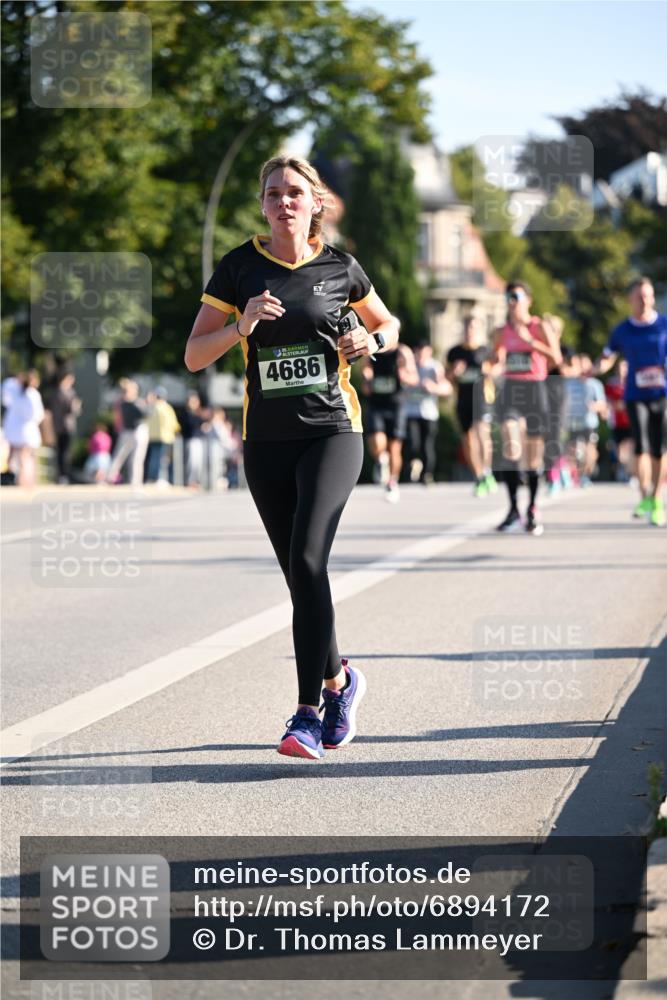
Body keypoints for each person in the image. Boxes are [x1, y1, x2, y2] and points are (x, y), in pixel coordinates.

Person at [185, 154, 400, 759]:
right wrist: (241, 326)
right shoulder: (239, 268)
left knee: (309, 557)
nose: (284, 201)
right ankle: (342, 681)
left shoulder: (340, 267)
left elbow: (391, 324)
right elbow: (195, 356)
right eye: (274, 192)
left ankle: (307, 714)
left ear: (315, 204)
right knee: (299, 576)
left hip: (333, 429)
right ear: (263, 204)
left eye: (295, 193)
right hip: (266, 441)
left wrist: (372, 339)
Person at [492, 281, 561, 534]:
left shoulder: (539, 326)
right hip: (511, 390)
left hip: (535, 390)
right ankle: (512, 508)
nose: (511, 301)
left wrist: (531, 341)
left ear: (528, 300)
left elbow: (556, 359)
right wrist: (493, 366)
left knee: (533, 457)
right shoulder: (501, 331)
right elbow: (496, 358)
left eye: (516, 296)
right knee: (511, 446)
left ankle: (532, 507)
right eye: (507, 297)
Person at [597, 276, 667, 526]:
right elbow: (608, 355)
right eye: (639, 296)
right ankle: (644, 494)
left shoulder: (664, 324)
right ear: (630, 300)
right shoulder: (622, 330)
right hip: (635, 395)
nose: (645, 300)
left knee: (659, 448)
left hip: (661, 394)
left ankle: (657, 498)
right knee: (641, 446)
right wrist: (597, 368)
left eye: (648, 295)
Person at [359, 342, 417, 502]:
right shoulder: (372, 348)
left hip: (396, 404)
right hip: (376, 403)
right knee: (376, 441)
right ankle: (380, 460)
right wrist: (367, 378)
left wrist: (404, 375)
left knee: (394, 447)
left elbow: (414, 378)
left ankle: (392, 482)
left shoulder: (403, 352)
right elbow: (365, 373)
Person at [446, 315, 497, 496]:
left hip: (482, 399)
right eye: (467, 327)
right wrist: (454, 372)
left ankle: (487, 471)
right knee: (467, 440)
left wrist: (488, 370)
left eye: (473, 328)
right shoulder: (454, 352)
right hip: (463, 400)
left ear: (479, 330)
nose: (470, 331)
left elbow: (497, 369)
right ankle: (479, 477)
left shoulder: (486, 351)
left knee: (482, 433)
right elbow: (447, 378)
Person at [404, 341, 451, 485]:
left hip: (429, 413)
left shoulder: (434, 367)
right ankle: (414, 465)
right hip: (411, 411)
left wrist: (433, 387)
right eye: (418, 352)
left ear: (429, 352)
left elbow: (446, 388)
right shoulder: (409, 366)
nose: (421, 356)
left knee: (427, 445)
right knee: (413, 443)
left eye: (424, 352)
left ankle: (427, 474)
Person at [564, 354, 608, 486]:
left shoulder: (595, 384)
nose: (583, 368)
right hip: (572, 422)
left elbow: (603, 404)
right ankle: (572, 475)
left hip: (589, 422)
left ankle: (586, 474)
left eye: (585, 365)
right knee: (572, 449)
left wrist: (594, 406)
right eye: (580, 365)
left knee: (590, 450)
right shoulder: (569, 384)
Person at [2, 369, 45, 488]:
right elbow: (37, 414)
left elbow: (6, 390)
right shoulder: (32, 394)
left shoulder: (14, 390)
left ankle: (12, 478)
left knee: (12, 455)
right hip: (27, 431)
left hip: (13, 429)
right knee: (25, 456)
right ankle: (25, 480)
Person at [105, 379, 149, 487]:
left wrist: (146, 403)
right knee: (119, 455)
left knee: (137, 458)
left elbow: (145, 414)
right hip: (127, 431)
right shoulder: (124, 403)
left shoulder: (138, 403)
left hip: (138, 431)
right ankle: (109, 478)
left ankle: (135, 481)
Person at [50, 370, 81, 484]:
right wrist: (76, 405)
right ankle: (64, 475)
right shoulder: (68, 393)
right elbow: (72, 409)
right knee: (65, 452)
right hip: (66, 426)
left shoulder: (56, 392)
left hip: (58, 426)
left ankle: (61, 475)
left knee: (60, 452)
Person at [605, 360, 634, 482]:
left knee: (632, 446)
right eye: (621, 367)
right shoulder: (611, 383)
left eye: (625, 367)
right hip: (617, 421)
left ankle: (630, 472)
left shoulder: (633, 382)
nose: (623, 369)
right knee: (619, 448)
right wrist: (615, 406)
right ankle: (622, 468)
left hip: (632, 420)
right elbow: (607, 401)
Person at [146, 386, 180, 484]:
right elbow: (173, 423)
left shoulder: (152, 407)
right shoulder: (166, 407)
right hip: (165, 437)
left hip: (152, 436)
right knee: (163, 459)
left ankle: (152, 478)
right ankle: (159, 479)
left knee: (154, 458)